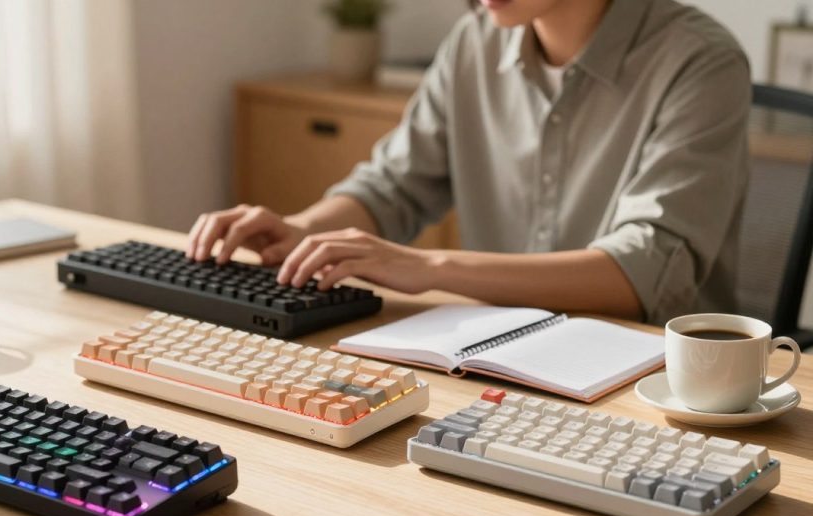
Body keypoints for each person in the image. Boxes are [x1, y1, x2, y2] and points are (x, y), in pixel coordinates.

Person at [186, 0, 750, 325]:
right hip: (501, 354)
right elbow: (393, 186)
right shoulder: (473, 42)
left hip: (655, 382)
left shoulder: (700, 62)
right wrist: (303, 231)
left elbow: (645, 271)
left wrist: (429, 269)